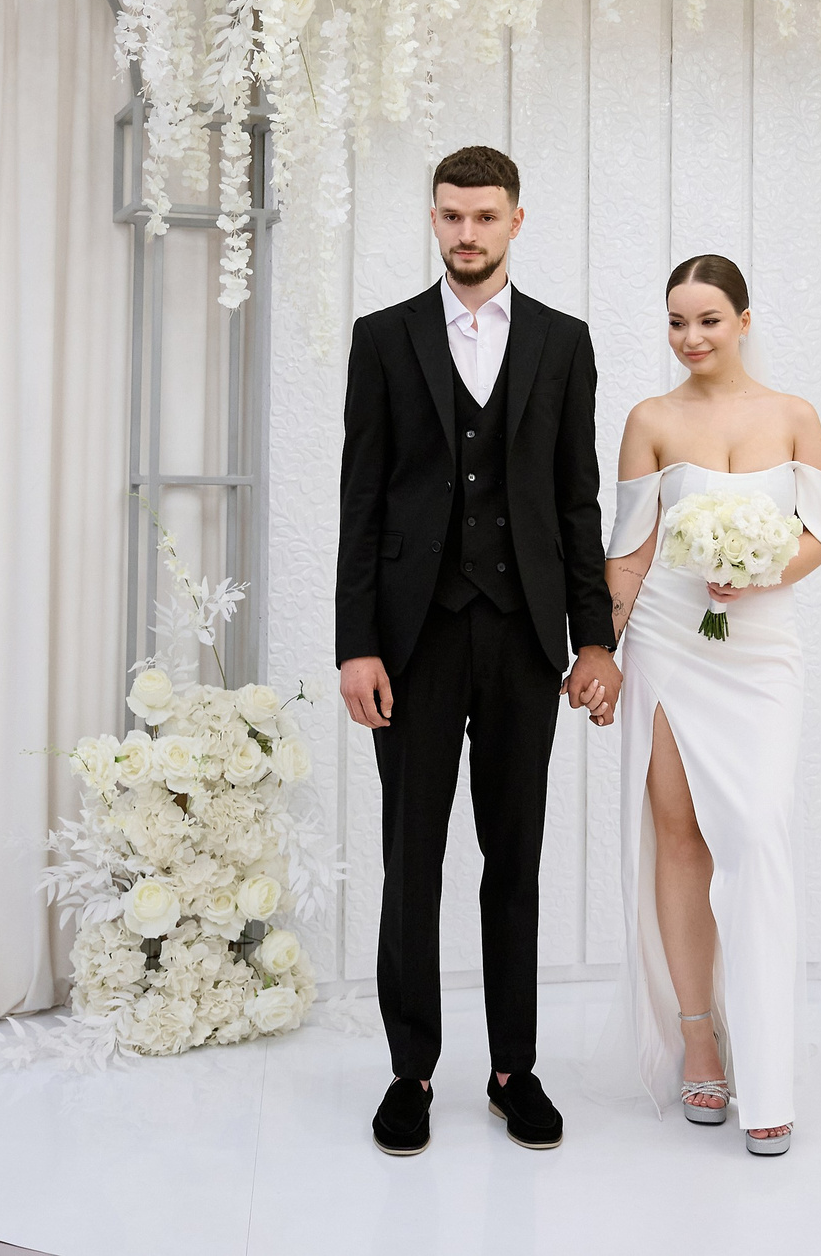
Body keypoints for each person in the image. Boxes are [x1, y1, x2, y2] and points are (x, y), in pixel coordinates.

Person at [335, 144, 622, 1159]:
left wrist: (594, 635)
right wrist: (356, 644)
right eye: (451, 215)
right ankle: (411, 1070)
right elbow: (362, 500)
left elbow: (577, 503)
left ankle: (513, 1070)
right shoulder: (382, 338)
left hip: (521, 634)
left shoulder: (563, 341)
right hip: (411, 641)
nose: (467, 232)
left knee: (515, 857)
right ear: (433, 218)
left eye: (485, 216)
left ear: (515, 221)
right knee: (410, 860)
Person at [600, 254, 821, 1157]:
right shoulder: (650, 420)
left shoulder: (794, 415)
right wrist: (601, 651)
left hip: (762, 651)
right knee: (680, 837)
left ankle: (769, 1071)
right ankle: (698, 1037)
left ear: (743, 320)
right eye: (676, 321)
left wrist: (758, 568)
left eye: (707, 319)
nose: (690, 337)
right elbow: (630, 550)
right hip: (669, 641)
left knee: (759, 832)